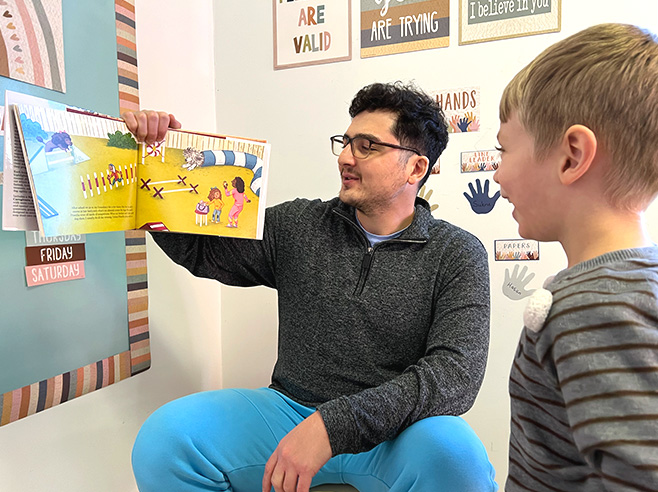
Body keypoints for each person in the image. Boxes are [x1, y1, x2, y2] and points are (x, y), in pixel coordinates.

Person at [124, 82, 497, 492]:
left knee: (458, 457)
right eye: (346, 141)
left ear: (416, 168)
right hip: (288, 412)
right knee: (164, 441)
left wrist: (331, 427)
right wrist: (156, 158)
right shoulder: (298, 225)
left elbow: (454, 377)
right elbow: (202, 251)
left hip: (395, 434)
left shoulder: (457, 253)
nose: (345, 157)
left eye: (367, 146)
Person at [493, 23, 658, 491]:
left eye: (504, 149)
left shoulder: (595, 307)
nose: (499, 174)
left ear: (571, 155)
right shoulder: (633, 286)